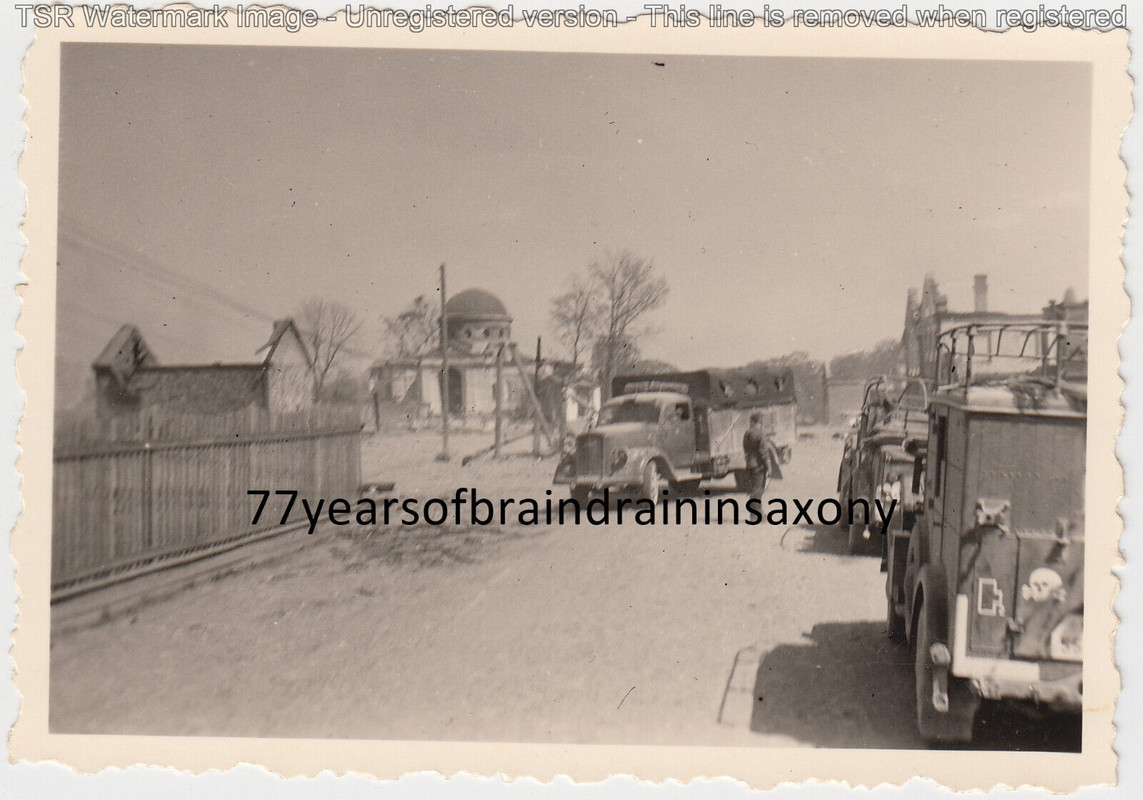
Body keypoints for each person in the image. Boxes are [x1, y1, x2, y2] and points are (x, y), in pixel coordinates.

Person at [742, 412, 771, 500]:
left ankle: (759, 510)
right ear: (760, 422)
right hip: (758, 466)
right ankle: (754, 513)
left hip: (749, 463)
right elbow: (763, 453)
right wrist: (769, 466)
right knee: (758, 490)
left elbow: (745, 447)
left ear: (752, 421)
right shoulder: (760, 434)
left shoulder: (747, 433)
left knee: (753, 489)